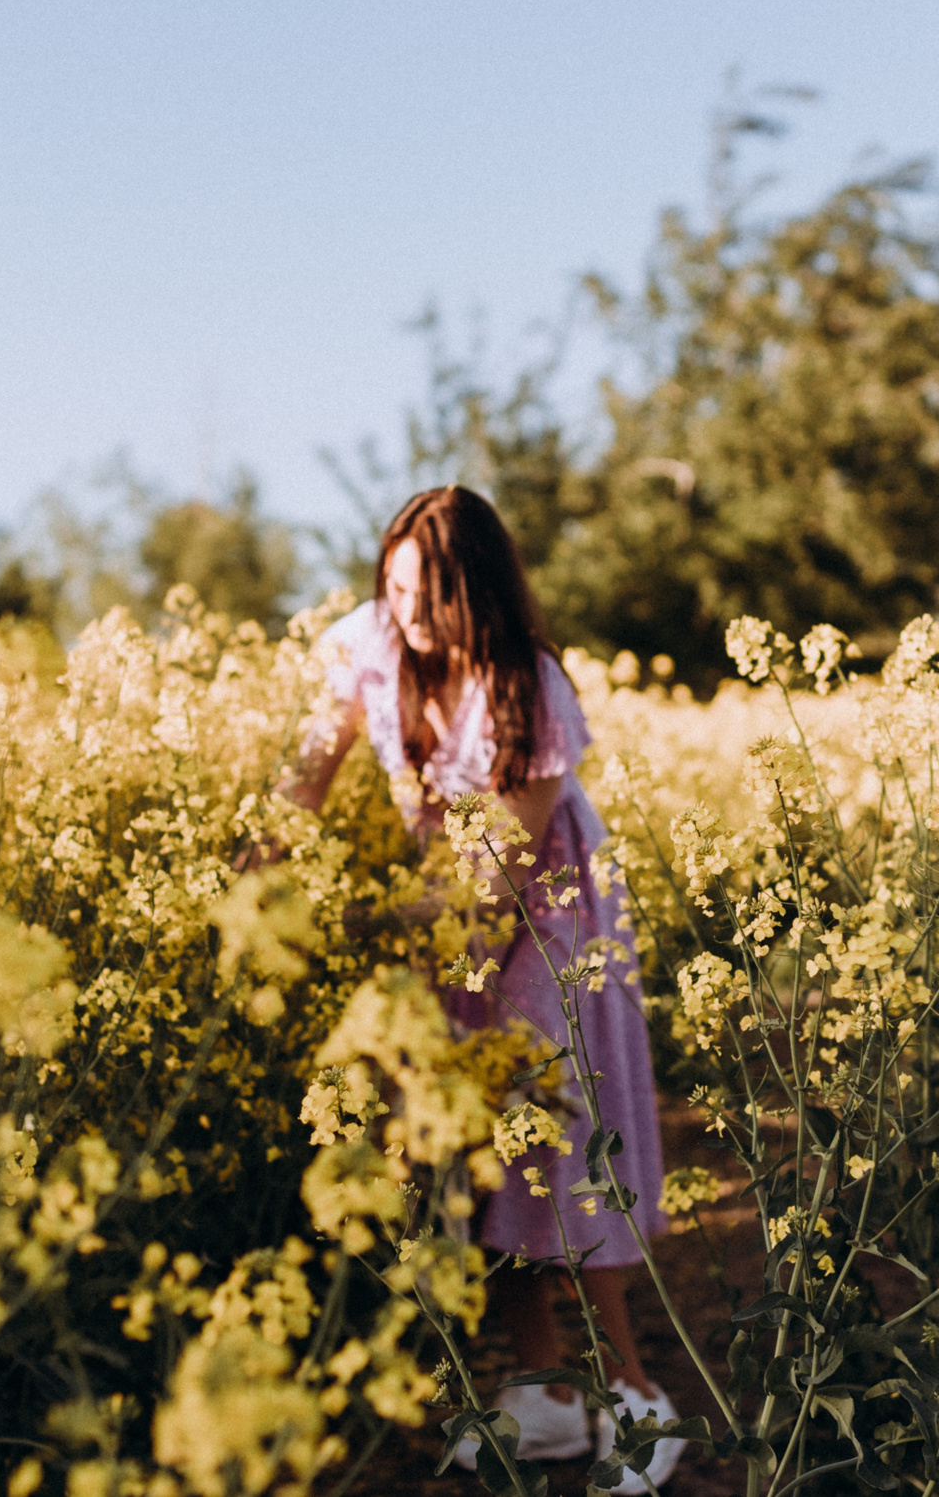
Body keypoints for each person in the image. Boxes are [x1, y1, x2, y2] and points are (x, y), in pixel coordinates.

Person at [281, 486, 683, 1492]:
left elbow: (501, 859)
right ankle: (544, 1398)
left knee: (562, 1154)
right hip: (446, 919)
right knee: (482, 1157)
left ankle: (637, 1405)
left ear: (482, 592)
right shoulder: (370, 646)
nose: (410, 612)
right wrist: (260, 868)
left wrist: (365, 920)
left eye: (434, 592)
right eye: (396, 587)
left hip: (549, 927)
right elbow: (306, 774)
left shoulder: (530, 683)